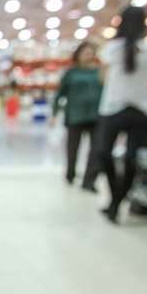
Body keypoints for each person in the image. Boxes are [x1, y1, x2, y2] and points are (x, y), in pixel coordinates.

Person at [96, 6, 147, 223]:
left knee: (109, 155)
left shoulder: (115, 50)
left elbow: (103, 77)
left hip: (125, 108)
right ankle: (117, 199)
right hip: (129, 108)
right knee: (128, 159)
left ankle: (115, 202)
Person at [51, 41, 102, 191]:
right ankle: (70, 174)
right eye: (85, 53)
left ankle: (89, 180)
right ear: (78, 55)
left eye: (90, 53)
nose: (88, 56)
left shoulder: (99, 72)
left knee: (96, 149)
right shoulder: (71, 73)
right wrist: (54, 113)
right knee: (73, 148)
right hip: (75, 115)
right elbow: (60, 94)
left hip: (96, 115)